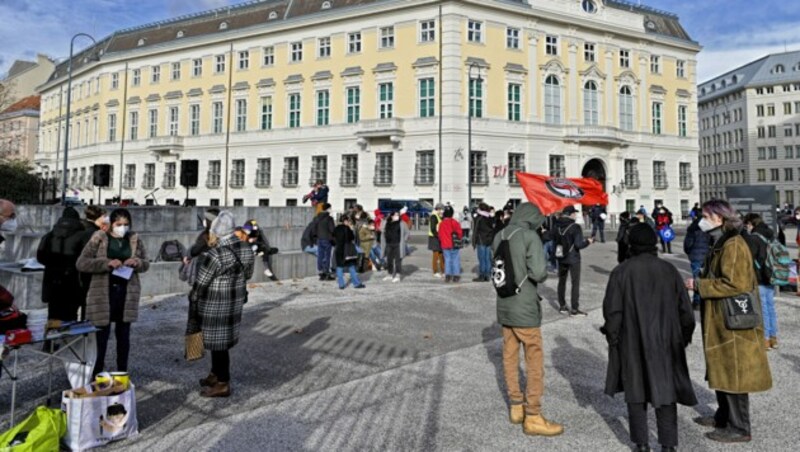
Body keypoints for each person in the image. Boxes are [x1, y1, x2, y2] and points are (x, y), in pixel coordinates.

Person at [601, 223, 697, 452]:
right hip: (665, 341)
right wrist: (681, 339)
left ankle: (641, 443)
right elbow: (687, 313)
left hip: (631, 340)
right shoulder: (669, 270)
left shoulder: (621, 271)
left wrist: (613, 339)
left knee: (636, 391)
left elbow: (612, 312)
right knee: (665, 392)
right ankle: (668, 444)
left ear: (631, 244)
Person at [685, 200, 772, 443]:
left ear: (720, 218)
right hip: (723, 320)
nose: (701, 219)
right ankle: (723, 416)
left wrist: (699, 285)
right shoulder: (721, 242)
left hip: (734, 321)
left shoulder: (733, 245)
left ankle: (740, 427)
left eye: (705, 215)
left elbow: (736, 284)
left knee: (734, 372)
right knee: (723, 369)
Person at [492, 202, 563, 437]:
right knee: (533, 359)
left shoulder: (500, 234)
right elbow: (539, 273)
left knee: (509, 356)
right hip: (525, 306)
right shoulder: (530, 236)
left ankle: (515, 406)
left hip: (505, 304)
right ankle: (533, 414)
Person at [76, 208, 150, 377]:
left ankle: (122, 373)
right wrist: (106, 263)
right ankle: (96, 374)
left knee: (123, 336)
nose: (122, 228)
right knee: (101, 337)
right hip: (103, 291)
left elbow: (146, 263)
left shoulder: (134, 239)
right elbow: (82, 263)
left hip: (127, 291)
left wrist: (137, 262)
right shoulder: (99, 237)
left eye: (126, 224)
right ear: (111, 224)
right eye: (119, 224)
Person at [190, 211, 255, 397]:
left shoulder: (215, 254)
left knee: (218, 344)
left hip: (214, 302)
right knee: (221, 342)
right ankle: (215, 373)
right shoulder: (245, 248)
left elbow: (201, 282)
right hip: (234, 301)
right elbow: (248, 274)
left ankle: (223, 382)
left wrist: (193, 297)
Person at [37, 207, 86, 322]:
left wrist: (52, 265)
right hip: (73, 282)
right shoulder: (82, 235)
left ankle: (50, 339)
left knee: (53, 315)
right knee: (70, 315)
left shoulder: (49, 236)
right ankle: (67, 339)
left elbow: (40, 256)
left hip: (52, 281)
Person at [742, 213, 779, 349]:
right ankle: (773, 337)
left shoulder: (754, 238)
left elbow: (749, 258)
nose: (746, 227)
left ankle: (765, 339)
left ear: (751, 223)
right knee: (770, 307)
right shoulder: (770, 234)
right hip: (771, 275)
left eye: (747, 225)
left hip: (759, 277)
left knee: (762, 308)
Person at [554, 206, 593, 316]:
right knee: (575, 282)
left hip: (561, 256)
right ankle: (574, 309)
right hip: (573, 258)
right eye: (574, 213)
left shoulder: (556, 225)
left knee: (561, 281)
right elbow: (578, 244)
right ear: (571, 214)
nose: (575, 215)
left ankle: (562, 306)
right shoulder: (575, 227)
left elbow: (551, 237)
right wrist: (588, 241)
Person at [683, 215, 710, 309]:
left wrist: (689, 252)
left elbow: (688, 244)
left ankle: (697, 302)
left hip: (696, 256)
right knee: (708, 278)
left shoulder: (692, 229)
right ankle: (706, 299)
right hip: (708, 256)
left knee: (697, 278)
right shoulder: (710, 228)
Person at [333, 216, 365, 289]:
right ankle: (356, 283)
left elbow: (333, 239)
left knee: (339, 267)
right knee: (351, 267)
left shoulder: (336, 229)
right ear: (345, 221)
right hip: (347, 250)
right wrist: (350, 229)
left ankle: (341, 285)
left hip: (338, 250)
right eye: (347, 221)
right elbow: (352, 237)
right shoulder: (347, 228)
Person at [380, 211, 410, 283]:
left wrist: (404, 240)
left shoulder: (402, 223)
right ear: (391, 216)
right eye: (395, 215)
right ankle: (389, 274)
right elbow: (382, 229)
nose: (397, 216)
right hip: (388, 243)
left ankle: (398, 275)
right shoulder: (386, 222)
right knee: (389, 260)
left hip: (398, 244)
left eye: (398, 215)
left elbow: (407, 232)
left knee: (398, 260)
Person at [438, 206, 463, 283]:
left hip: (445, 244)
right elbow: (460, 233)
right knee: (455, 259)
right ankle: (456, 275)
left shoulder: (442, 223)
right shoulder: (455, 222)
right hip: (454, 244)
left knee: (447, 260)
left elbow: (440, 235)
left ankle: (448, 275)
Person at [472, 203, 495, 282]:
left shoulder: (479, 218)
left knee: (482, 258)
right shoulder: (490, 217)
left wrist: (474, 242)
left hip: (481, 240)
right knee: (487, 258)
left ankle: (482, 275)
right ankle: (487, 275)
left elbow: (475, 230)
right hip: (488, 240)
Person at [315, 203, 336, 281]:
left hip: (319, 239)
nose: (331, 210)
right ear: (328, 209)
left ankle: (321, 272)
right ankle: (326, 272)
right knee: (327, 256)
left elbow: (314, 228)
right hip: (327, 239)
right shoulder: (329, 218)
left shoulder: (317, 217)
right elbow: (332, 230)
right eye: (330, 208)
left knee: (320, 256)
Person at [428, 203, 445, 278]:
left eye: (442, 209)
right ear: (437, 209)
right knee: (436, 255)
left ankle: (443, 270)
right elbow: (433, 229)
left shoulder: (440, 216)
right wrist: (438, 236)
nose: (442, 211)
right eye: (441, 209)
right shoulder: (433, 216)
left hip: (439, 237)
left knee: (441, 255)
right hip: (434, 238)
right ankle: (435, 271)